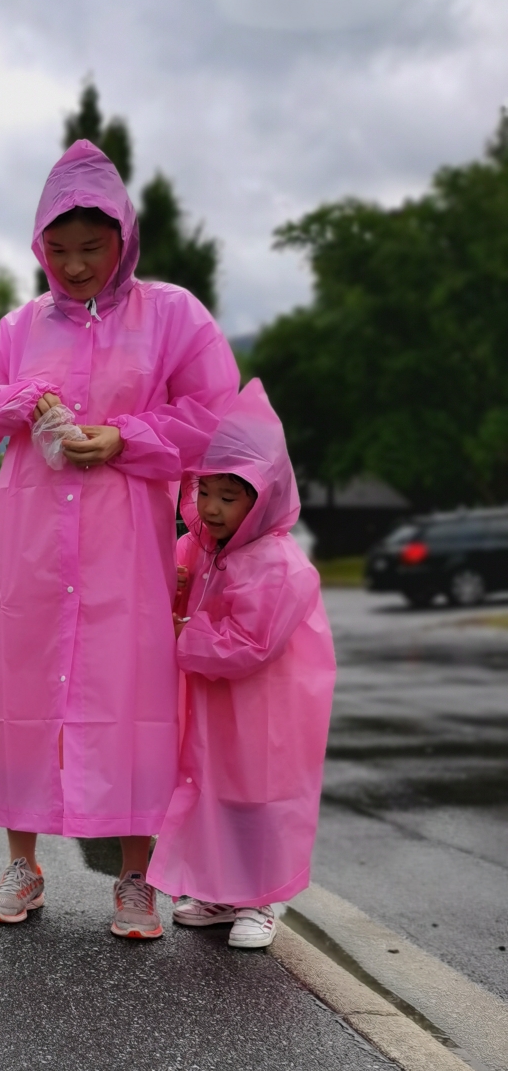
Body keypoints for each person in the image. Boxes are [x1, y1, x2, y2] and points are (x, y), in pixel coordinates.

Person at [0, 139, 238, 938]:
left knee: (133, 700)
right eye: (60, 250)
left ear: (124, 240)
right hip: (32, 550)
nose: (75, 266)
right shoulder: (21, 325)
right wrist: (19, 401)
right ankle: (21, 863)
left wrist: (124, 438)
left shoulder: (172, 313)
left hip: (123, 552)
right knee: (23, 696)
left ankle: (136, 879)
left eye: (92, 248)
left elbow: (213, 412)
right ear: (40, 249)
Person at [147, 379, 336, 948]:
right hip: (213, 702)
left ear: (264, 497)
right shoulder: (198, 549)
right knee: (212, 785)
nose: (211, 508)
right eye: (205, 492)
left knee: (261, 790)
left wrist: (181, 631)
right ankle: (216, 888)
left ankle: (260, 898)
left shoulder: (279, 564)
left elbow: (248, 644)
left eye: (229, 497)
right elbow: (168, 594)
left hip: (266, 704)